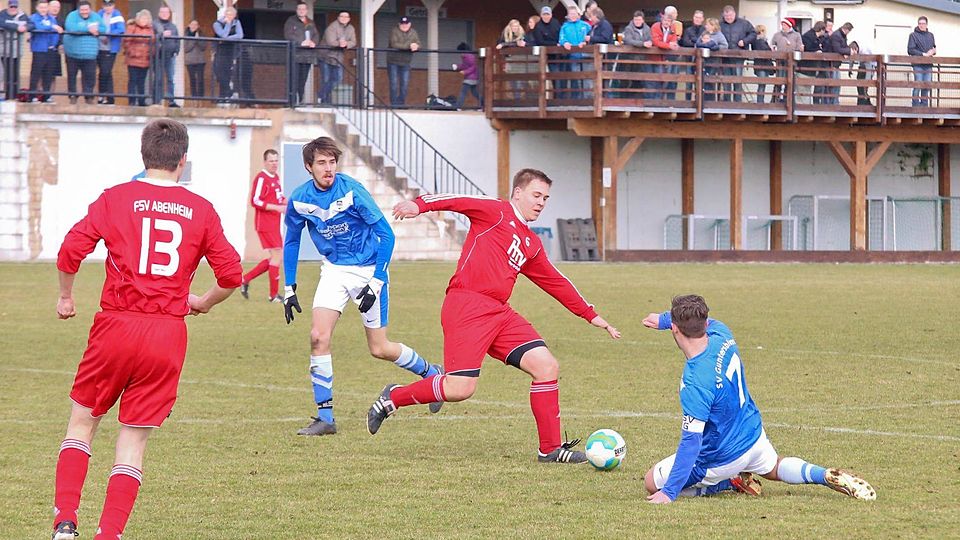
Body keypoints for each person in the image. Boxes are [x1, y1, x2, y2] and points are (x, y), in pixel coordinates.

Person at [50, 118, 243, 540]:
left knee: (82, 423)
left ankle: (65, 522)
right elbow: (232, 275)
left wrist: (66, 296)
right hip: (166, 335)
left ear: (144, 156)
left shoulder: (117, 198)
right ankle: (109, 533)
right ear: (183, 160)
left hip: (115, 326)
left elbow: (71, 250)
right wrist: (203, 302)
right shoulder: (202, 209)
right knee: (133, 442)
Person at [366, 168, 621, 465]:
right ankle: (392, 398)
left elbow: (554, 280)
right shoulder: (496, 211)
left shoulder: (530, 242)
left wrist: (590, 315)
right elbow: (456, 200)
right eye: (536, 195)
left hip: (499, 312)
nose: (541, 203)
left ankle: (549, 449)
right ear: (518, 193)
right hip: (467, 306)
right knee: (460, 389)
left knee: (546, 366)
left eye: (546, 198)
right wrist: (419, 205)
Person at [640, 295, 876, 503]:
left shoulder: (695, 383)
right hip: (752, 434)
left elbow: (691, 443)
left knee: (652, 482)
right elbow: (705, 322)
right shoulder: (722, 334)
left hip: (722, 457)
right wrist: (664, 320)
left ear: (675, 329)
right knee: (774, 466)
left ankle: (727, 483)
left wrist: (669, 492)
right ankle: (822, 475)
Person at [281, 136, 442, 436]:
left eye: (332, 162)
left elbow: (386, 235)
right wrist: (289, 286)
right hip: (333, 271)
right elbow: (291, 240)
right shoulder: (300, 199)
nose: (328, 169)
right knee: (318, 337)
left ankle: (432, 373)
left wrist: (377, 281)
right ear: (308, 167)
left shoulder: (353, 191)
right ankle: (325, 417)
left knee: (379, 348)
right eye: (321, 163)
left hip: (369, 271)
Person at [241, 149, 285, 302]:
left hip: (274, 223)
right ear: (265, 162)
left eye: (276, 160)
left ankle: (245, 279)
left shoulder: (276, 177)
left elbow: (279, 198)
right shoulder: (261, 178)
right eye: (271, 161)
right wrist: (277, 208)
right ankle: (273, 296)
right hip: (265, 224)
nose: (274, 163)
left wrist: (290, 203)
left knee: (276, 257)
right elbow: (255, 200)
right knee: (277, 256)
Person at [63, 0, 104, 104]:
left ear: (90, 9)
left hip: (90, 54)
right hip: (73, 53)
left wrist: (97, 30)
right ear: (78, 10)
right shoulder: (72, 16)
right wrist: (88, 29)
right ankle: (72, 95)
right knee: (72, 75)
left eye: (86, 9)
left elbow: (104, 28)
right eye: (82, 10)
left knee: (90, 76)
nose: (84, 12)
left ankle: (88, 96)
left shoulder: (96, 17)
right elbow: (71, 27)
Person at [27, 0, 63, 103]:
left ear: (48, 8)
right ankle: (32, 96)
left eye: (45, 7)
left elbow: (57, 33)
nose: (43, 10)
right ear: (37, 8)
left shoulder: (51, 18)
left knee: (48, 73)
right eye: (41, 7)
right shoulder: (34, 17)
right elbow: (38, 27)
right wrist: (52, 27)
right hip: (39, 49)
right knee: (36, 73)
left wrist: (53, 44)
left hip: (50, 49)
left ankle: (47, 96)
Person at [719, 5, 755, 103]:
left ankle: (737, 102)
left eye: (730, 16)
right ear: (723, 15)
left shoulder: (744, 23)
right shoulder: (720, 25)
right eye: (726, 16)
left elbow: (753, 34)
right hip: (724, 57)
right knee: (726, 81)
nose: (728, 18)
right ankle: (726, 102)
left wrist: (745, 41)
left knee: (737, 80)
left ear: (734, 14)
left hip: (739, 55)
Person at [284, 1, 318, 105]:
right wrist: (300, 43)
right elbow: (288, 35)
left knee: (303, 80)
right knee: (293, 79)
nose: (301, 11)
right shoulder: (291, 21)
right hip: (295, 55)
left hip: (307, 56)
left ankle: (301, 99)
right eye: (299, 9)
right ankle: (292, 102)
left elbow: (316, 35)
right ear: (296, 10)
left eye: (303, 9)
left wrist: (314, 42)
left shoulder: (311, 22)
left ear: (307, 10)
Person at [320, 11, 356, 104]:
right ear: (338, 17)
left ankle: (327, 98)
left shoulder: (351, 28)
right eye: (342, 16)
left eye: (346, 17)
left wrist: (346, 44)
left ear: (349, 19)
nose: (344, 18)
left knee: (338, 79)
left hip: (338, 57)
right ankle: (323, 99)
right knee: (326, 79)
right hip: (326, 56)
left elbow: (353, 41)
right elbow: (330, 42)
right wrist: (340, 44)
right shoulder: (332, 27)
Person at [122, 9, 153, 106]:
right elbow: (126, 41)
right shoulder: (132, 28)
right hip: (133, 59)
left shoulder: (150, 30)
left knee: (142, 81)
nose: (144, 20)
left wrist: (151, 53)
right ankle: (131, 101)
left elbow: (154, 43)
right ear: (138, 19)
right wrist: (132, 52)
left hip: (145, 59)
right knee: (133, 80)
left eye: (146, 18)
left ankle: (141, 101)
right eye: (142, 18)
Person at [620, 10, 653, 100]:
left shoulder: (647, 29)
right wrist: (643, 44)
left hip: (644, 59)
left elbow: (651, 39)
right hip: (630, 59)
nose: (637, 22)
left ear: (643, 20)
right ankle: (626, 100)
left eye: (639, 20)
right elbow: (628, 40)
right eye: (635, 20)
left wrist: (649, 43)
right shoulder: (628, 28)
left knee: (641, 81)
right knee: (628, 80)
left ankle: (640, 101)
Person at [558, 6, 589, 100]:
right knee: (575, 77)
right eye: (571, 14)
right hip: (572, 56)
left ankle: (587, 98)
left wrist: (585, 42)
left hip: (586, 55)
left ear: (578, 14)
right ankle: (576, 99)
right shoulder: (565, 27)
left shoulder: (585, 25)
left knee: (587, 77)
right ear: (568, 16)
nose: (573, 15)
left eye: (574, 13)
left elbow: (592, 36)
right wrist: (565, 43)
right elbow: (561, 38)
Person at [387, 16, 419, 107]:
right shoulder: (394, 31)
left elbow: (419, 43)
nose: (404, 25)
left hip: (406, 62)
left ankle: (400, 104)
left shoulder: (413, 32)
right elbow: (394, 44)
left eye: (406, 23)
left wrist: (416, 46)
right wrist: (409, 46)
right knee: (393, 84)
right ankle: (394, 105)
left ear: (410, 24)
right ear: (399, 24)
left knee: (404, 85)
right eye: (402, 24)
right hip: (393, 61)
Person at [95, 0, 123, 104]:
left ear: (113, 5)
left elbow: (120, 29)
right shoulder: (99, 14)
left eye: (110, 5)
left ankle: (103, 95)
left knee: (105, 71)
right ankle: (109, 97)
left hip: (110, 48)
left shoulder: (117, 14)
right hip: (98, 47)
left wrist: (109, 35)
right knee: (105, 73)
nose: (107, 7)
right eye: (106, 5)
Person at [651, 7, 681, 101]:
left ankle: (666, 101)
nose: (666, 22)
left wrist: (672, 45)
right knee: (657, 80)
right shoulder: (655, 26)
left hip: (668, 58)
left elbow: (674, 40)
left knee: (668, 80)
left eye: (668, 21)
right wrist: (669, 46)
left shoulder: (673, 29)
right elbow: (656, 42)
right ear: (661, 20)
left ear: (672, 22)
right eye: (665, 20)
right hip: (655, 58)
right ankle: (656, 101)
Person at [212, 7, 242, 101]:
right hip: (220, 51)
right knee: (219, 73)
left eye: (232, 15)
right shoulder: (217, 24)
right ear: (225, 14)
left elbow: (240, 35)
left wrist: (227, 38)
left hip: (231, 50)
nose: (230, 17)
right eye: (228, 15)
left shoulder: (237, 22)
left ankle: (224, 96)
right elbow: (222, 34)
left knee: (228, 74)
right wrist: (228, 25)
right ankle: (229, 92)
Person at [1, 0, 28, 100]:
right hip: (5, 50)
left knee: (15, 74)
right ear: (8, 6)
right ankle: (8, 96)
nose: (13, 8)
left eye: (15, 7)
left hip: (17, 50)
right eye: (11, 6)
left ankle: (14, 95)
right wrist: (17, 27)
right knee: (7, 73)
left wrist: (25, 27)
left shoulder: (22, 15)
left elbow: (31, 24)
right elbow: (2, 23)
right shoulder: (3, 14)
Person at [770, 18, 801, 103]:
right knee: (778, 80)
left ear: (789, 25)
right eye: (782, 25)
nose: (783, 26)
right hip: (780, 60)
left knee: (790, 81)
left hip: (791, 61)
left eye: (784, 25)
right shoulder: (777, 35)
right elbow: (772, 44)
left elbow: (799, 47)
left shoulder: (796, 35)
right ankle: (775, 100)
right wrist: (773, 48)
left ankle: (787, 100)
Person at [154, 5, 180, 107]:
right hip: (158, 55)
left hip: (170, 56)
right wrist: (161, 35)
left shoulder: (173, 26)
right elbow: (151, 37)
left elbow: (177, 39)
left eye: (166, 12)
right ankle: (157, 100)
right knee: (158, 78)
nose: (165, 14)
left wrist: (176, 50)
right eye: (162, 12)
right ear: (159, 13)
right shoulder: (154, 24)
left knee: (170, 78)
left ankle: (171, 100)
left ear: (169, 14)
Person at [907, 16, 936, 107]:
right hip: (917, 64)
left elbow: (934, 47)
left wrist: (933, 51)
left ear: (926, 24)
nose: (921, 25)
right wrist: (923, 54)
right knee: (918, 84)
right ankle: (915, 106)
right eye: (920, 23)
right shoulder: (913, 35)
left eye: (923, 23)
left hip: (928, 64)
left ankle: (924, 106)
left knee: (926, 85)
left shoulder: (930, 35)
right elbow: (910, 50)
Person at [697, 18, 727, 102]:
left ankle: (710, 100)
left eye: (708, 24)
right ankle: (701, 99)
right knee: (702, 80)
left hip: (714, 61)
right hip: (703, 61)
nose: (706, 26)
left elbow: (725, 45)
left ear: (713, 26)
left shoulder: (719, 35)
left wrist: (714, 48)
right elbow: (697, 44)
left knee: (711, 80)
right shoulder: (704, 33)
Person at [679, 10, 705, 101]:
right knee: (689, 82)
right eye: (696, 17)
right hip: (689, 59)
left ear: (702, 19)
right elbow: (685, 42)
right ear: (693, 18)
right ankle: (688, 101)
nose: (697, 19)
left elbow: (705, 42)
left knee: (700, 82)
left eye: (699, 18)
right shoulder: (688, 30)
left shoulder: (705, 30)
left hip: (702, 61)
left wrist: (694, 41)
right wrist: (698, 42)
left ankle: (699, 101)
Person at [825, 22, 852, 105]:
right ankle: (832, 104)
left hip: (836, 64)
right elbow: (837, 49)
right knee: (833, 85)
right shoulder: (837, 35)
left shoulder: (840, 35)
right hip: (832, 64)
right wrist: (848, 51)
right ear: (847, 30)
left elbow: (841, 47)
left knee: (836, 84)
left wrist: (846, 52)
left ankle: (834, 102)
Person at [799, 21, 825, 105]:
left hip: (811, 69)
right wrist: (816, 51)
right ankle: (802, 108)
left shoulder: (817, 38)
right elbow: (807, 48)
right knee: (803, 90)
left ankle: (805, 107)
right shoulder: (808, 36)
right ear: (821, 30)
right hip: (805, 68)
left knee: (807, 89)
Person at [183, 20, 208, 99]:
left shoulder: (201, 35)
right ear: (189, 25)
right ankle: (193, 97)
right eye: (192, 24)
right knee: (192, 79)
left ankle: (201, 97)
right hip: (190, 61)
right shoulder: (186, 35)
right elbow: (186, 49)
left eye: (196, 24)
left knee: (200, 79)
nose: (194, 26)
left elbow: (203, 47)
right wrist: (194, 40)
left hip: (200, 60)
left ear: (198, 26)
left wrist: (198, 39)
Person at [848, 41, 875, 106]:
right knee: (860, 87)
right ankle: (863, 104)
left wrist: (867, 80)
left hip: (869, 66)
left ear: (856, 49)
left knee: (863, 89)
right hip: (862, 66)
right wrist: (850, 68)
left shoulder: (864, 51)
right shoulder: (855, 49)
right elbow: (852, 57)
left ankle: (864, 104)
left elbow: (869, 66)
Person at [751, 25, 774, 104]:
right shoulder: (760, 41)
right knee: (762, 84)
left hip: (761, 64)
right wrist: (771, 49)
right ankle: (760, 102)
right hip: (762, 65)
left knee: (762, 84)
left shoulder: (756, 41)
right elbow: (765, 51)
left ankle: (760, 101)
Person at [454, 41, 479, 109]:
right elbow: (465, 65)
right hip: (472, 77)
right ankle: (483, 104)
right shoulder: (467, 56)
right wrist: (457, 66)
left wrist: (465, 72)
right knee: (475, 93)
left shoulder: (468, 57)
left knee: (463, 92)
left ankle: (458, 106)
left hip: (470, 78)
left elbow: (473, 67)